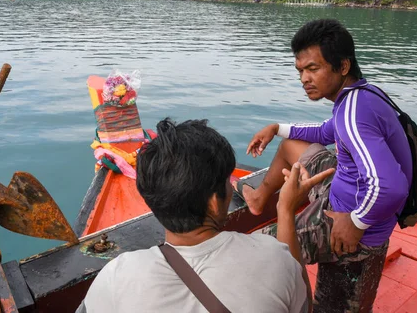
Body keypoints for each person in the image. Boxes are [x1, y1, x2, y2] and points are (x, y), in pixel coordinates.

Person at [232, 19, 413, 312]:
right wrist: (277, 127)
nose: (304, 78)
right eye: (300, 71)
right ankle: (260, 197)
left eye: (313, 69)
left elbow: (392, 187)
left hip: (351, 217)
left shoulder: (355, 111)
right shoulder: (360, 96)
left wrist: (356, 223)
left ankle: (300, 303)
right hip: (345, 188)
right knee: (290, 145)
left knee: (251, 253)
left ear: (342, 66)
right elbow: (326, 132)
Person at [77, 118, 334, 313]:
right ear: (214, 202)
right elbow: (302, 307)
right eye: (226, 183)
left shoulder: (117, 276)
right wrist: (285, 210)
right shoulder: (275, 258)